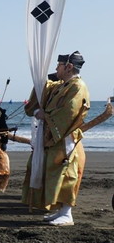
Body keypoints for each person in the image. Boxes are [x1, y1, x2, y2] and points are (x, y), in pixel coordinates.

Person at [22, 51, 90, 226]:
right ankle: (60, 210)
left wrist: (45, 116)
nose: (55, 69)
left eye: (58, 65)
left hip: (64, 137)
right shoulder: (62, 85)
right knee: (53, 173)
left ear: (68, 67)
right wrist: (39, 77)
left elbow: (69, 114)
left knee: (66, 173)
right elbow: (42, 93)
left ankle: (67, 212)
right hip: (53, 137)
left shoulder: (77, 87)